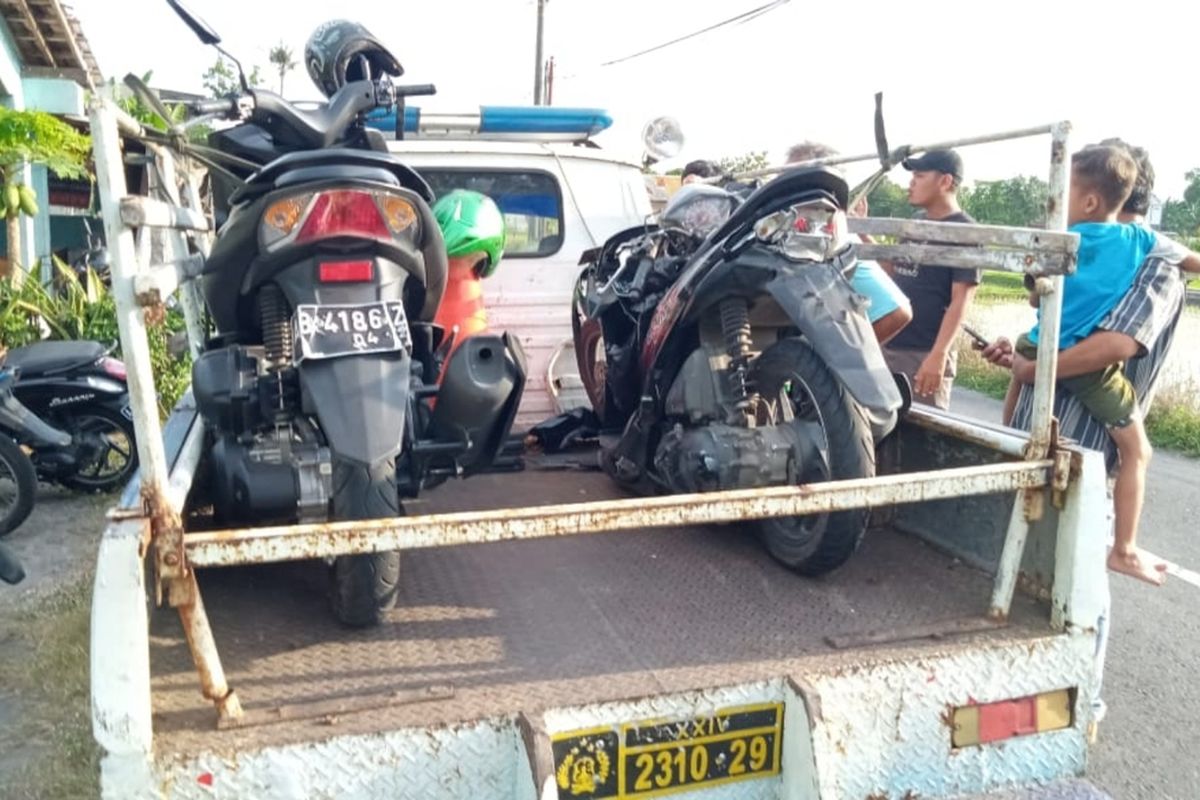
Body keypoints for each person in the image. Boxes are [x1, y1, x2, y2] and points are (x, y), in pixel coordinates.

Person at [980, 137, 1192, 726]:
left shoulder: (1153, 262)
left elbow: (1118, 345)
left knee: (1077, 587)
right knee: (1027, 577)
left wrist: (1032, 366)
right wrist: (1022, 362)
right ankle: (1020, 699)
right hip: (1044, 432)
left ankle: (1079, 707)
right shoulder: (1083, 251)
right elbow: (1047, 323)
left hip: (1086, 447)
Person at [1002, 145, 1200, 586]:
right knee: (1137, 454)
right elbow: (1106, 343)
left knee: (1048, 563)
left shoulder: (1073, 245)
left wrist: (1031, 367)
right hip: (1073, 407)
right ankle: (1124, 549)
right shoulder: (1142, 247)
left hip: (1058, 392)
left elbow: (1112, 340)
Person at [784, 141, 913, 345]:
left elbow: (897, 312)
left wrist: (825, 360)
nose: (783, 188)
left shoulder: (838, 245)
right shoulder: (784, 237)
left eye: (792, 179)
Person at [880, 149, 979, 409]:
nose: (911, 183)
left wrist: (939, 354)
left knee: (921, 437)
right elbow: (894, 271)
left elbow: (962, 299)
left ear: (945, 182)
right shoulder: (916, 223)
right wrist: (866, 241)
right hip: (891, 344)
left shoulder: (965, 231)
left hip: (923, 353)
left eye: (920, 176)